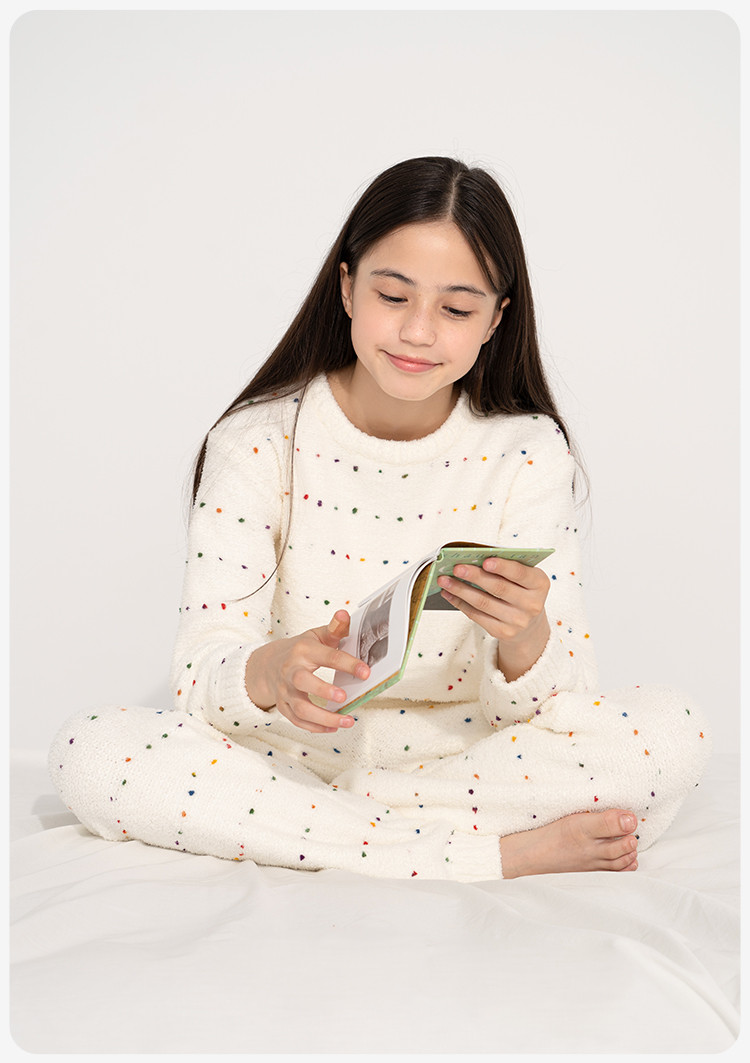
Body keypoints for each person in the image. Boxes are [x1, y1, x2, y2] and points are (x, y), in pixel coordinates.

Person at [49, 157, 710, 881]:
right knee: (92, 753)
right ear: (346, 286)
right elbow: (200, 679)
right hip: (288, 758)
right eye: (393, 295)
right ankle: (477, 853)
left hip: (464, 763)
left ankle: (334, 826)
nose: (418, 332)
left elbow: (559, 708)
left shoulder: (527, 450)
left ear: (496, 319)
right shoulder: (257, 442)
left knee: (671, 735)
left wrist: (525, 639)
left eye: (457, 310)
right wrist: (269, 672)